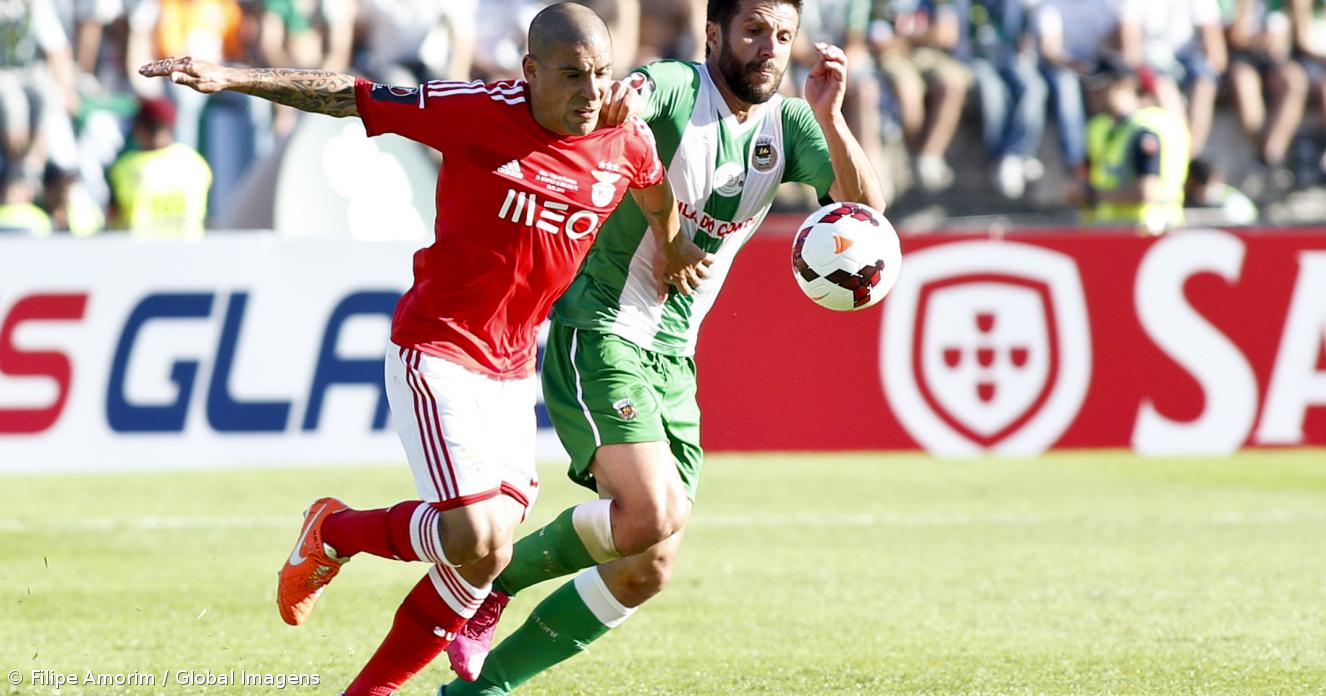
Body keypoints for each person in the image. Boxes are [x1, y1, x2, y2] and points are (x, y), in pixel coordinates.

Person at [140, 4, 701, 695]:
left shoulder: (623, 136)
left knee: (485, 557)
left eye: (599, 75)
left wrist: (673, 245)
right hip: (437, 349)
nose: (590, 94)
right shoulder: (475, 109)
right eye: (571, 76)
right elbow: (352, 95)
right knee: (473, 536)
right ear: (529, 72)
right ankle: (336, 531)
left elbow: (653, 190)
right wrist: (235, 77)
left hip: (512, 367)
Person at [439, 0, 887, 693]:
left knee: (646, 565)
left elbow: (865, 214)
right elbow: (631, 97)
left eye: (783, 36)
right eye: (753, 31)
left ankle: (477, 689)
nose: (770, 48)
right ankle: (486, 586)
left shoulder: (789, 125)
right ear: (714, 34)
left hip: (673, 357)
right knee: (649, 514)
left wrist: (831, 117)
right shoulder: (680, 88)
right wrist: (621, 100)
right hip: (602, 327)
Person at [1083, 56, 1191, 233]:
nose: (1094, 94)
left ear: (1124, 85)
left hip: (1146, 230)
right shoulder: (1105, 127)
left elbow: (1146, 191)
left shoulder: (1143, 129)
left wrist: (1094, 195)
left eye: (1103, 88)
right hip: (1121, 231)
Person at [107, 97, 212, 239]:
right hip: (188, 250)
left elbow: (112, 216)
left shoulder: (124, 167)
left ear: (139, 129)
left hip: (139, 253)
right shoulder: (195, 162)